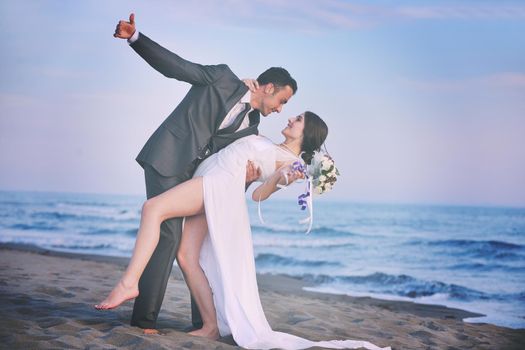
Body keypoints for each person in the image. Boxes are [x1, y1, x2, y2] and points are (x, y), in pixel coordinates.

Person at [95, 112, 391, 350]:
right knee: (186, 256)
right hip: (212, 180)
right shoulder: (268, 143)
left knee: (153, 209)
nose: (290, 119)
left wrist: (279, 178)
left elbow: (259, 195)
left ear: (306, 133)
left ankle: (130, 282)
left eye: (298, 119)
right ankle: (210, 327)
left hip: (217, 185)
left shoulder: (290, 164)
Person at [112, 13, 297, 333]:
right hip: (167, 158)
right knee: (169, 235)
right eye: (281, 100)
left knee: (193, 247)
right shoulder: (223, 78)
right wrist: (135, 39)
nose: (281, 109)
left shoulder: (252, 128)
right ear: (268, 87)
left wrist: (248, 178)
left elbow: (229, 164)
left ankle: (205, 323)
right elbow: (178, 67)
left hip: (196, 177)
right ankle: (143, 320)